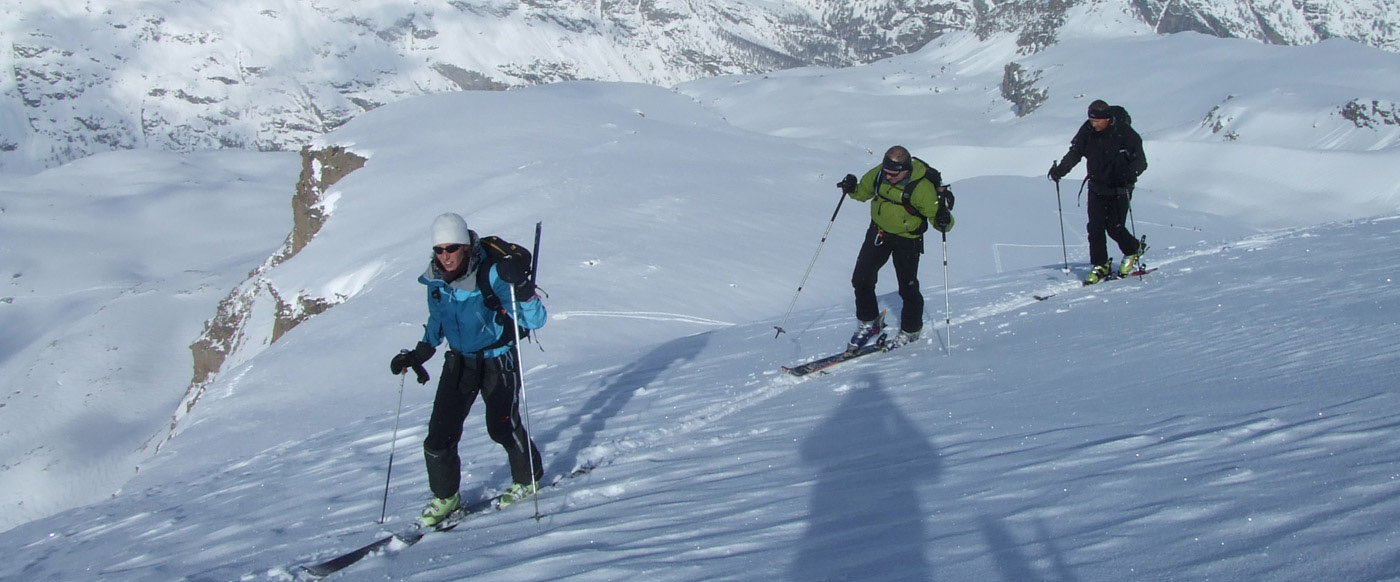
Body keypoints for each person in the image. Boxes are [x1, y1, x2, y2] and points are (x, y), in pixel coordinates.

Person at [389, 212, 546, 527]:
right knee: (437, 438)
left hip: (497, 360)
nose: (445, 256)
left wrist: (524, 288)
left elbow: (535, 320)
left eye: (452, 248)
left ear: (466, 246)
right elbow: (438, 320)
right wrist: (420, 352)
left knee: (502, 427)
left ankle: (528, 479)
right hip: (460, 361)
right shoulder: (436, 280)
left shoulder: (493, 273)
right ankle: (446, 497)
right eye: (439, 249)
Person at [838, 145, 954, 353]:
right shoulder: (881, 173)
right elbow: (863, 192)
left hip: (908, 239)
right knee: (861, 278)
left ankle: (911, 329)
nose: (888, 177)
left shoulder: (922, 189)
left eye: (893, 174)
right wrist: (852, 188)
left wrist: (944, 220)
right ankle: (869, 321)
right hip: (880, 232)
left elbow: (940, 220)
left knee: (907, 287)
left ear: (906, 169)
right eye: (887, 172)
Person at [1048, 99, 1149, 284]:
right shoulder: (1087, 130)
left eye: (1097, 121)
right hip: (1096, 186)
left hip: (1120, 188)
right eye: (1091, 120)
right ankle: (1100, 264)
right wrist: (1060, 170)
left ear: (1107, 119)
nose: (1093, 124)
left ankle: (1133, 249)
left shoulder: (1126, 134)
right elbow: (1075, 152)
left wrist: (1127, 174)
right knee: (1094, 228)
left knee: (1114, 227)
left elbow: (1141, 162)